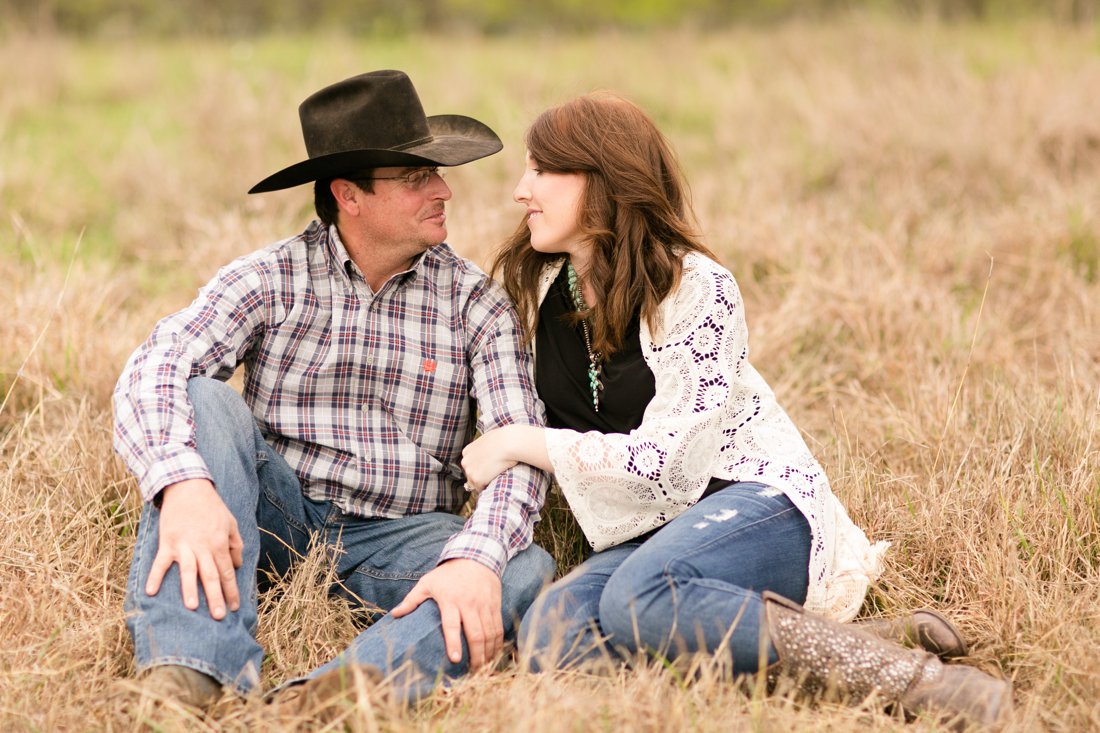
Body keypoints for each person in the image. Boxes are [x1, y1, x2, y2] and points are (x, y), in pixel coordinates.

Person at [459, 93, 1012, 727]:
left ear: (603, 179)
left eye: (542, 170)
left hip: (755, 503)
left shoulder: (696, 288)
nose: (520, 190)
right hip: (652, 533)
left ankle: (918, 683)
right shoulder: (547, 299)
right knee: (554, 633)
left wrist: (520, 441)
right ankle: (866, 642)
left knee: (640, 598)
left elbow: (667, 465)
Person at [113, 70, 554, 713]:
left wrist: (474, 559)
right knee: (205, 400)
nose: (444, 190)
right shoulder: (270, 277)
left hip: (399, 540)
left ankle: (334, 699)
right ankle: (189, 677)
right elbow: (154, 368)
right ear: (348, 195)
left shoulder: (476, 304)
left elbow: (517, 453)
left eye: (435, 173)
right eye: (416, 179)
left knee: (518, 568)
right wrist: (184, 485)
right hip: (275, 517)